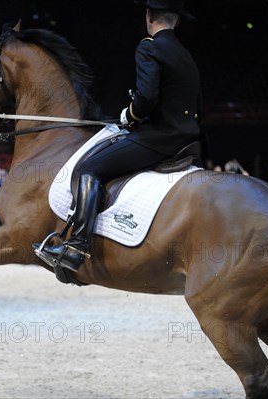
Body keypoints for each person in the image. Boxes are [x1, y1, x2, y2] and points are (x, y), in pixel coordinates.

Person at [34, 0, 204, 272]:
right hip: (188, 141)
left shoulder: (149, 46)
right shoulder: (186, 55)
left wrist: (130, 115)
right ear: (177, 21)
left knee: (89, 168)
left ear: (149, 17)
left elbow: (147, 97)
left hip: (158, 139)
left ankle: (75, 248)